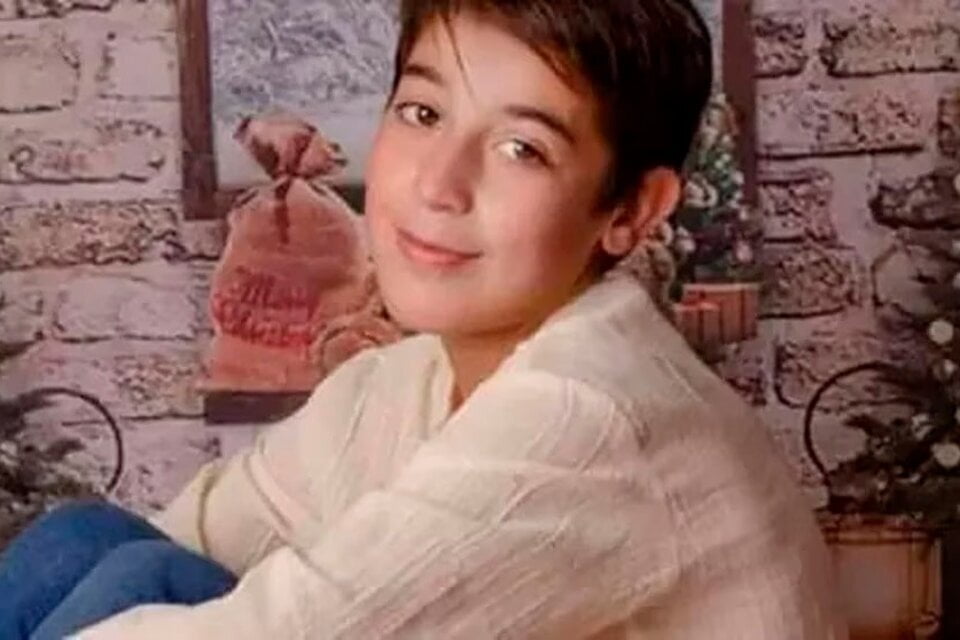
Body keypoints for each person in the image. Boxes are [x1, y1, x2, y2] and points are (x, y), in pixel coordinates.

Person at [0, 0, 848, 637]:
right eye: (423, 113)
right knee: (92, 542)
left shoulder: (596, 413)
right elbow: (185, 538)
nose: (439, 185)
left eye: (522, 149)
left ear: (631, 209)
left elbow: (290, 630)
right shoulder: (395, 385)